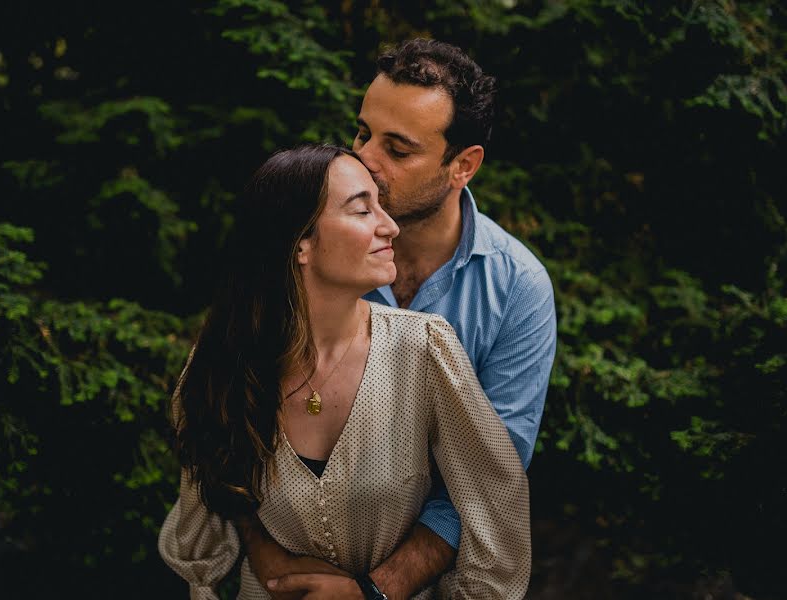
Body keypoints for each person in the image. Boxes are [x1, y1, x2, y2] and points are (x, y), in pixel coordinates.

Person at [252, 40, 557, 600]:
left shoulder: (515, 288)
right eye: (363, 133)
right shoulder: (308, 246)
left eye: (398, 148)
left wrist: (373, 591)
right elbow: (229, 416)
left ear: (462, 165)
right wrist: (272, 563)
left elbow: (491, 483)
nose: (365, 159)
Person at [158, 144, 532, 599]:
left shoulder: (424, 350)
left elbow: (495, 503)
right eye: (362, 210)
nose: (390, 225)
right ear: (300, 243)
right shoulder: (222, 361)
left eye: (381, 205)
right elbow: (207, 524)